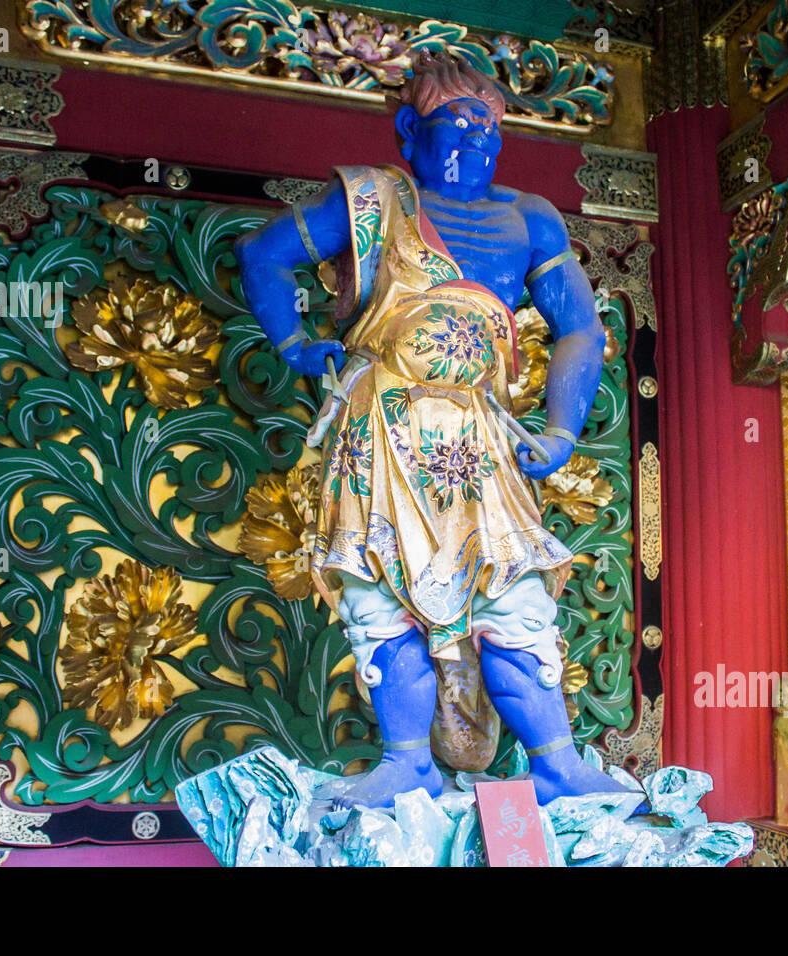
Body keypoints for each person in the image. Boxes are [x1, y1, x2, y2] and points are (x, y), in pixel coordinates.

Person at [236, 49, 623, 808]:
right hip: (379, 428)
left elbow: (582, 329)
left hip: (483, 437)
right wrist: (291, 344)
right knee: (375, 590)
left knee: (515, 592)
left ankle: (556, 762)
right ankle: (406, 760)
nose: (476, 143)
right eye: (459, 125)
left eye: (491, 131)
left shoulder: (529, 218)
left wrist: (562, 433)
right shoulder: (371, 200)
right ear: (411, 128)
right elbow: (263, 254)